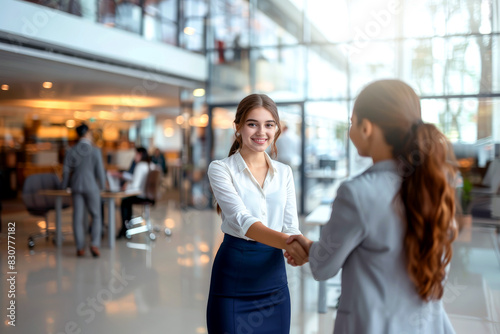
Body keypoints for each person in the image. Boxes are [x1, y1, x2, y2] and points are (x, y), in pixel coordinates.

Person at [285, 79, 458, 334]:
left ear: (366, 128)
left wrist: (308, 247)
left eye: (351, 122)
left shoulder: (357, 193)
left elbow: (323, 267)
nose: (350, 130)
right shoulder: (435, 184)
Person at [206, 94, 308, 334]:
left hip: (273, 280)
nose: (261, 131)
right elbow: (243, 221)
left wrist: (297, 245)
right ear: (238, 127)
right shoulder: (221, 169)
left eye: (269, 125)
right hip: (234, 277)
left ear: (276, 130)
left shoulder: (284, 173)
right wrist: (295, 244)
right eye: (253, 123)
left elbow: (291, 226)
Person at [62, 123, 106, 257]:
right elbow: (100, 172)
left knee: (77, 217)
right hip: (91, 186)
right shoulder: (95, 151)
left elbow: (65, 170)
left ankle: (80, 248)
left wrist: (64, 186)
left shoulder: (71, 150)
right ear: (87, 134)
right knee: (96, 215)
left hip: (76, 187)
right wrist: (103, 187)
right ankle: (94, 244)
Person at [117, 147, 154, 239]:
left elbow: (135, 187)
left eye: (136, 154)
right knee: (127, 200)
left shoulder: (140, 166)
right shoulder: (152, 165)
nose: (134, 157)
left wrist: (125, 188)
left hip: (142, 195)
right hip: (150, 196)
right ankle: (127, 226)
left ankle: (125, 229)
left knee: (125, 200)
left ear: (140, 154)